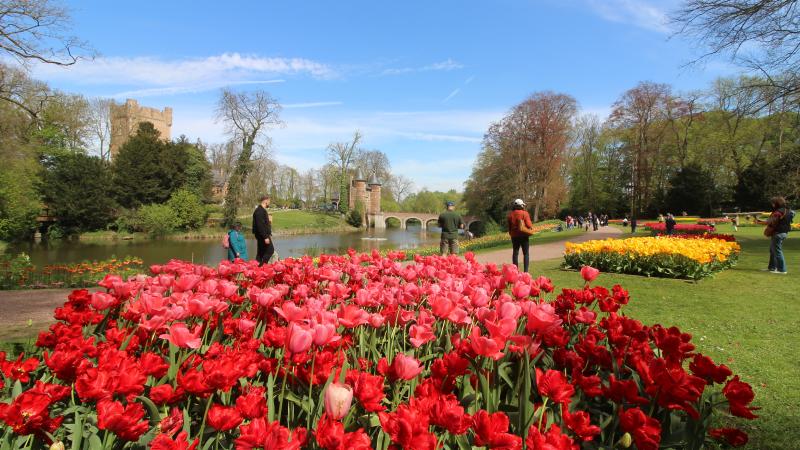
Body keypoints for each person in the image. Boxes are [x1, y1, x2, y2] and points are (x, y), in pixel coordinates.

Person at [757, 196, 794, 274]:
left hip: (778, 233)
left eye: (773, 203)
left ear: (777, 203)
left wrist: (759, 222)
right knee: (773, 250)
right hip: (783, 233)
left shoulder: (778, 212)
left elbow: (770, 221)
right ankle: (772, 268)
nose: (772, 205)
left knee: (777, 251)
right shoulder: (788, 210)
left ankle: (782, 270)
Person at [507, 198, 533, 272]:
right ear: (521, 205)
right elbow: (529, 225)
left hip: (514, 236)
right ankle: (526, 271)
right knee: (526, 253)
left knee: (515, 253)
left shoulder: (510, 215)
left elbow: (509, 227)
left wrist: (511, 233)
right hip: (524, 235)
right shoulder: (525, 213)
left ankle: (516, 271)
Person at [252, 195, 274, 266]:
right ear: (266, 200)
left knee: (261, 252)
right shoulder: (259, 211)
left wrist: (269, 222)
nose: (269, 202)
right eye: (269, 201)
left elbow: (263, 224)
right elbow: (260, 226)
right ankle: (261, 267)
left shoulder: (262, 210)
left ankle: (256, 269)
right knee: (270, 250)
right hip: (262, 235)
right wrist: (265, 237)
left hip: (262, 235)